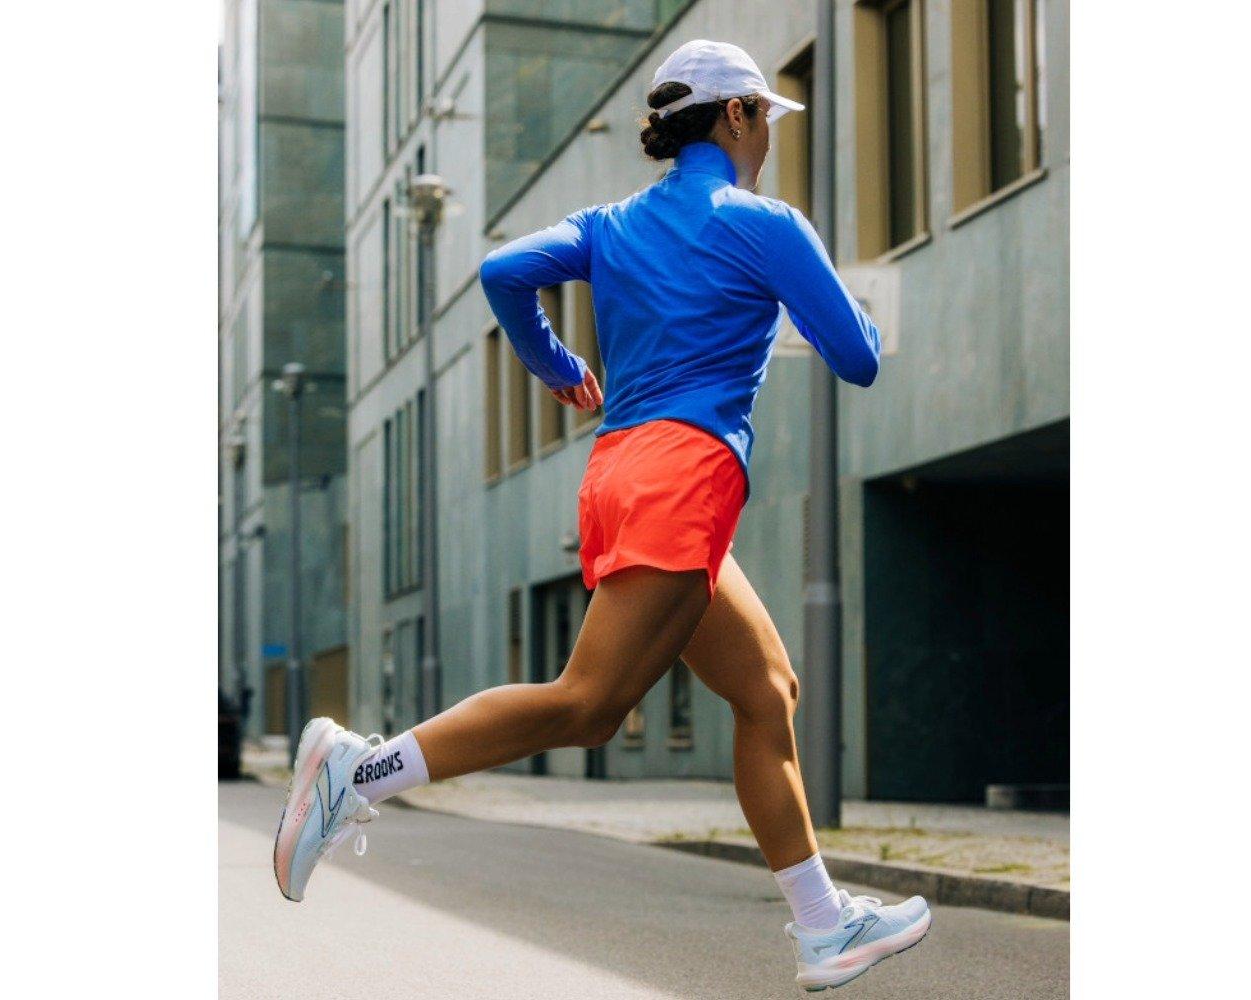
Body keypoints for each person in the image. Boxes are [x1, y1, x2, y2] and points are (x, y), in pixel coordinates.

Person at [274, 38, 930, 992]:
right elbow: (858, 357)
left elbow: (505, 270)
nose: (772, 141)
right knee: (588, 707)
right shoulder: (768, 223)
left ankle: (824, 925)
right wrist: (837, 298)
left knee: (767, 692)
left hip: (623, 469)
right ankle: (356, 773)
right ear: (738, 116)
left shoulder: (611, 224)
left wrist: (556, 366)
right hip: (687, 478)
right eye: (765, 120)